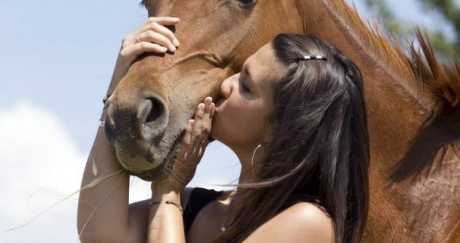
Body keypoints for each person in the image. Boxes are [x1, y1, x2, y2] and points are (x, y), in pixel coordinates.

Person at [77, 17, 370, 243]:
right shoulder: (200, 207)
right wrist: (118, 92)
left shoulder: (307, 223)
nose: (225, 85)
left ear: (281, 131)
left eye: (246, 86)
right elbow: (98, 233)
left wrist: (167, 192)